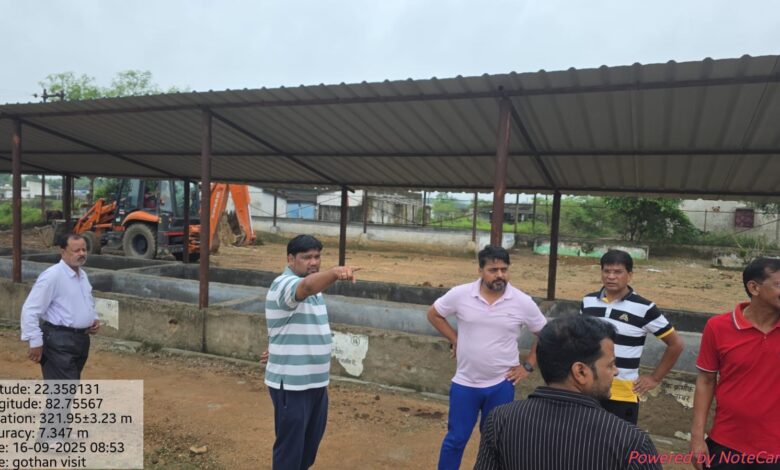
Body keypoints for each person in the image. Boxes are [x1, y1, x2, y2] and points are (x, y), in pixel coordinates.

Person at [474, 315, 661, 470]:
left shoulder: (500, 420)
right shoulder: (631, 441)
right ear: (580, 372)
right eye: (610, 364)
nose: (616, 371)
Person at [427, 245, 547, 470]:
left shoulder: (522, 301)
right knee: (456, 439)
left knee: (494, 441)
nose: (500, 275)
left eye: (504, 269)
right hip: (465, 383)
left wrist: (528, 366)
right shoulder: (461, 294)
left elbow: (545, 334)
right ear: (480, 270)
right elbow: (434, 314)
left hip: (501, 384)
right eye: (493, 270)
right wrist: (455, 339)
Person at [264, 234, 360, 470]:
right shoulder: (284, 284)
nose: (314, 262)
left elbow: (294, 323)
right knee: (290, 450)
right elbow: (305, 287)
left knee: (308, 449)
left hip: (316, 382)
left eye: (317, 257)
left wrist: (278, 346)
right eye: (306, 257)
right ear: (290, 259)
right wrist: (335, 273)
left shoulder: (315, 290)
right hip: (293, 384)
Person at [690, 257, 780, 470]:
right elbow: (706, 380)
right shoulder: (718, 327)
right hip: (727, 443)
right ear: (754, 288)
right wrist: (697, 437)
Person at [580, 249, 683, 424]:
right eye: (606, 271)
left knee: (617, 440)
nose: (611, 277)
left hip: (623, 395)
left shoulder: (645, 308)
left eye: (618, 272)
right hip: (587, 390)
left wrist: (655, 378)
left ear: (630, 275)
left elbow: (676, 344)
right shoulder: (588, 302)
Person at [20, 233, 100, 379]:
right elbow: (31, 309)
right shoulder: (52, 276)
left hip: (80, 340)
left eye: (84, 249)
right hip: (59, 341)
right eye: (76, 250)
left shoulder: (82, 275)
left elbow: (86, 301)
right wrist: (35, 341)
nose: (82, 253)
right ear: (63, 252)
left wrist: (92, 318)